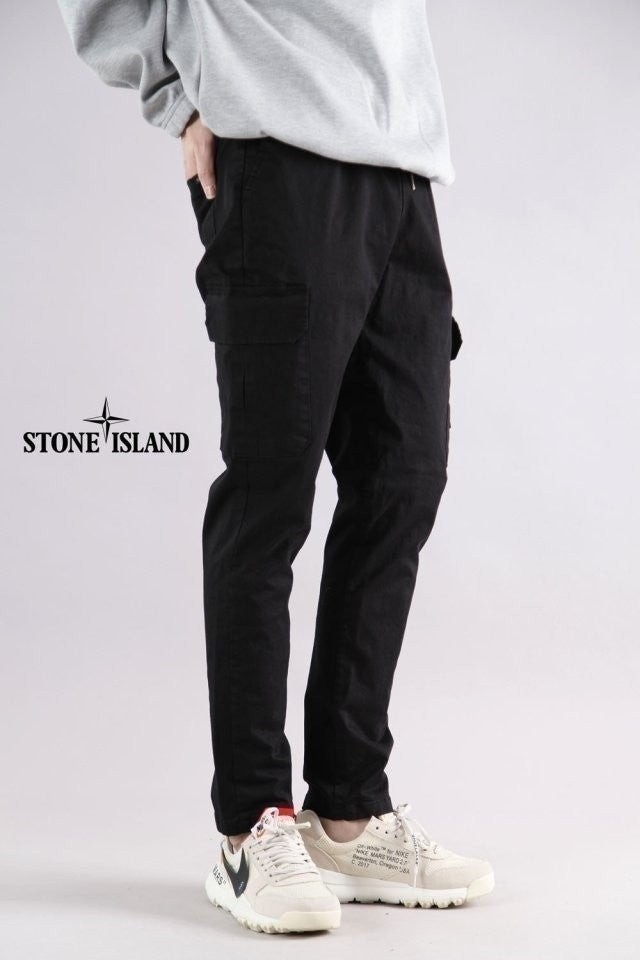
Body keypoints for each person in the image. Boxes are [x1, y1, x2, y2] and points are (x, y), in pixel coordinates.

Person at [58, 0, 494, 934]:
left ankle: (349, 812)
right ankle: (251, 825)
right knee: (270, 498)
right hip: (275, 153)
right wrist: (177, 97)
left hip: (401, 166)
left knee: (403, 481)